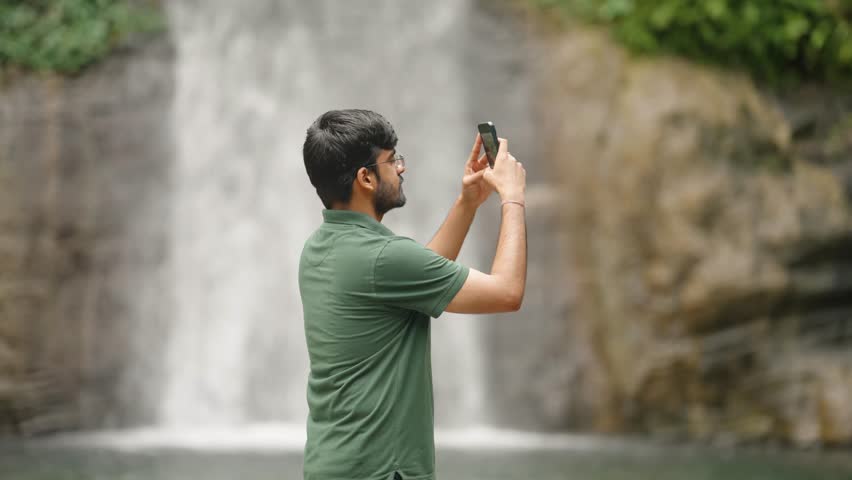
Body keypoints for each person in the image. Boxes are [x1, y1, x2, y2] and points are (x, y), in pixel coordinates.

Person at [299, 109, 527, 480]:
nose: (401, 169)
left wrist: (468, 202)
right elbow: (507, 293)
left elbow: (419, 276)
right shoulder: (382, 258)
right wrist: (513, 199)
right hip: (382, 471)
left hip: (334, 464)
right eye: (392, 161)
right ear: (366, 178)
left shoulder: (321, 247)